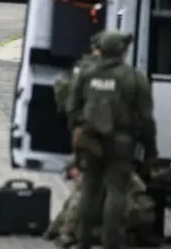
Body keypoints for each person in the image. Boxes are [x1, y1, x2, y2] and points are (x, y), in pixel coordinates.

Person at [67, 30, 156, 249]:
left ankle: (83, 240)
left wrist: (78, 134)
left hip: (90, 141)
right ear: (123, 52)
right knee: (116, 192)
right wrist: (150, 150)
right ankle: (111, 242)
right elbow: (146, 118)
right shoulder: (134, 78)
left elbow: (72, 108)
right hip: (121, 143)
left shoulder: (86, 74)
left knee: (89, 189)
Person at [46, 159, 157, 248]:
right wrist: (52, 230)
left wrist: (65, 234)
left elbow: (74, 209)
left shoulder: (92, 179)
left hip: (125, 219)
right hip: (138, 218)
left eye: (72, 173)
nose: (73, 177)